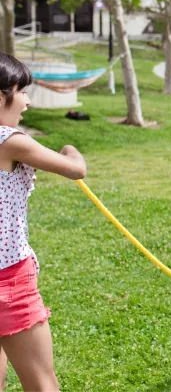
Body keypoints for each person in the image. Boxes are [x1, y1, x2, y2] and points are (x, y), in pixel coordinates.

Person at [0, 52, 87, 392]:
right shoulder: (9, 140)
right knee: (41, 382)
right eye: (22, 91)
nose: (27, 101)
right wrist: (69, 149)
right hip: (8, 280)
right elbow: (75, 170)